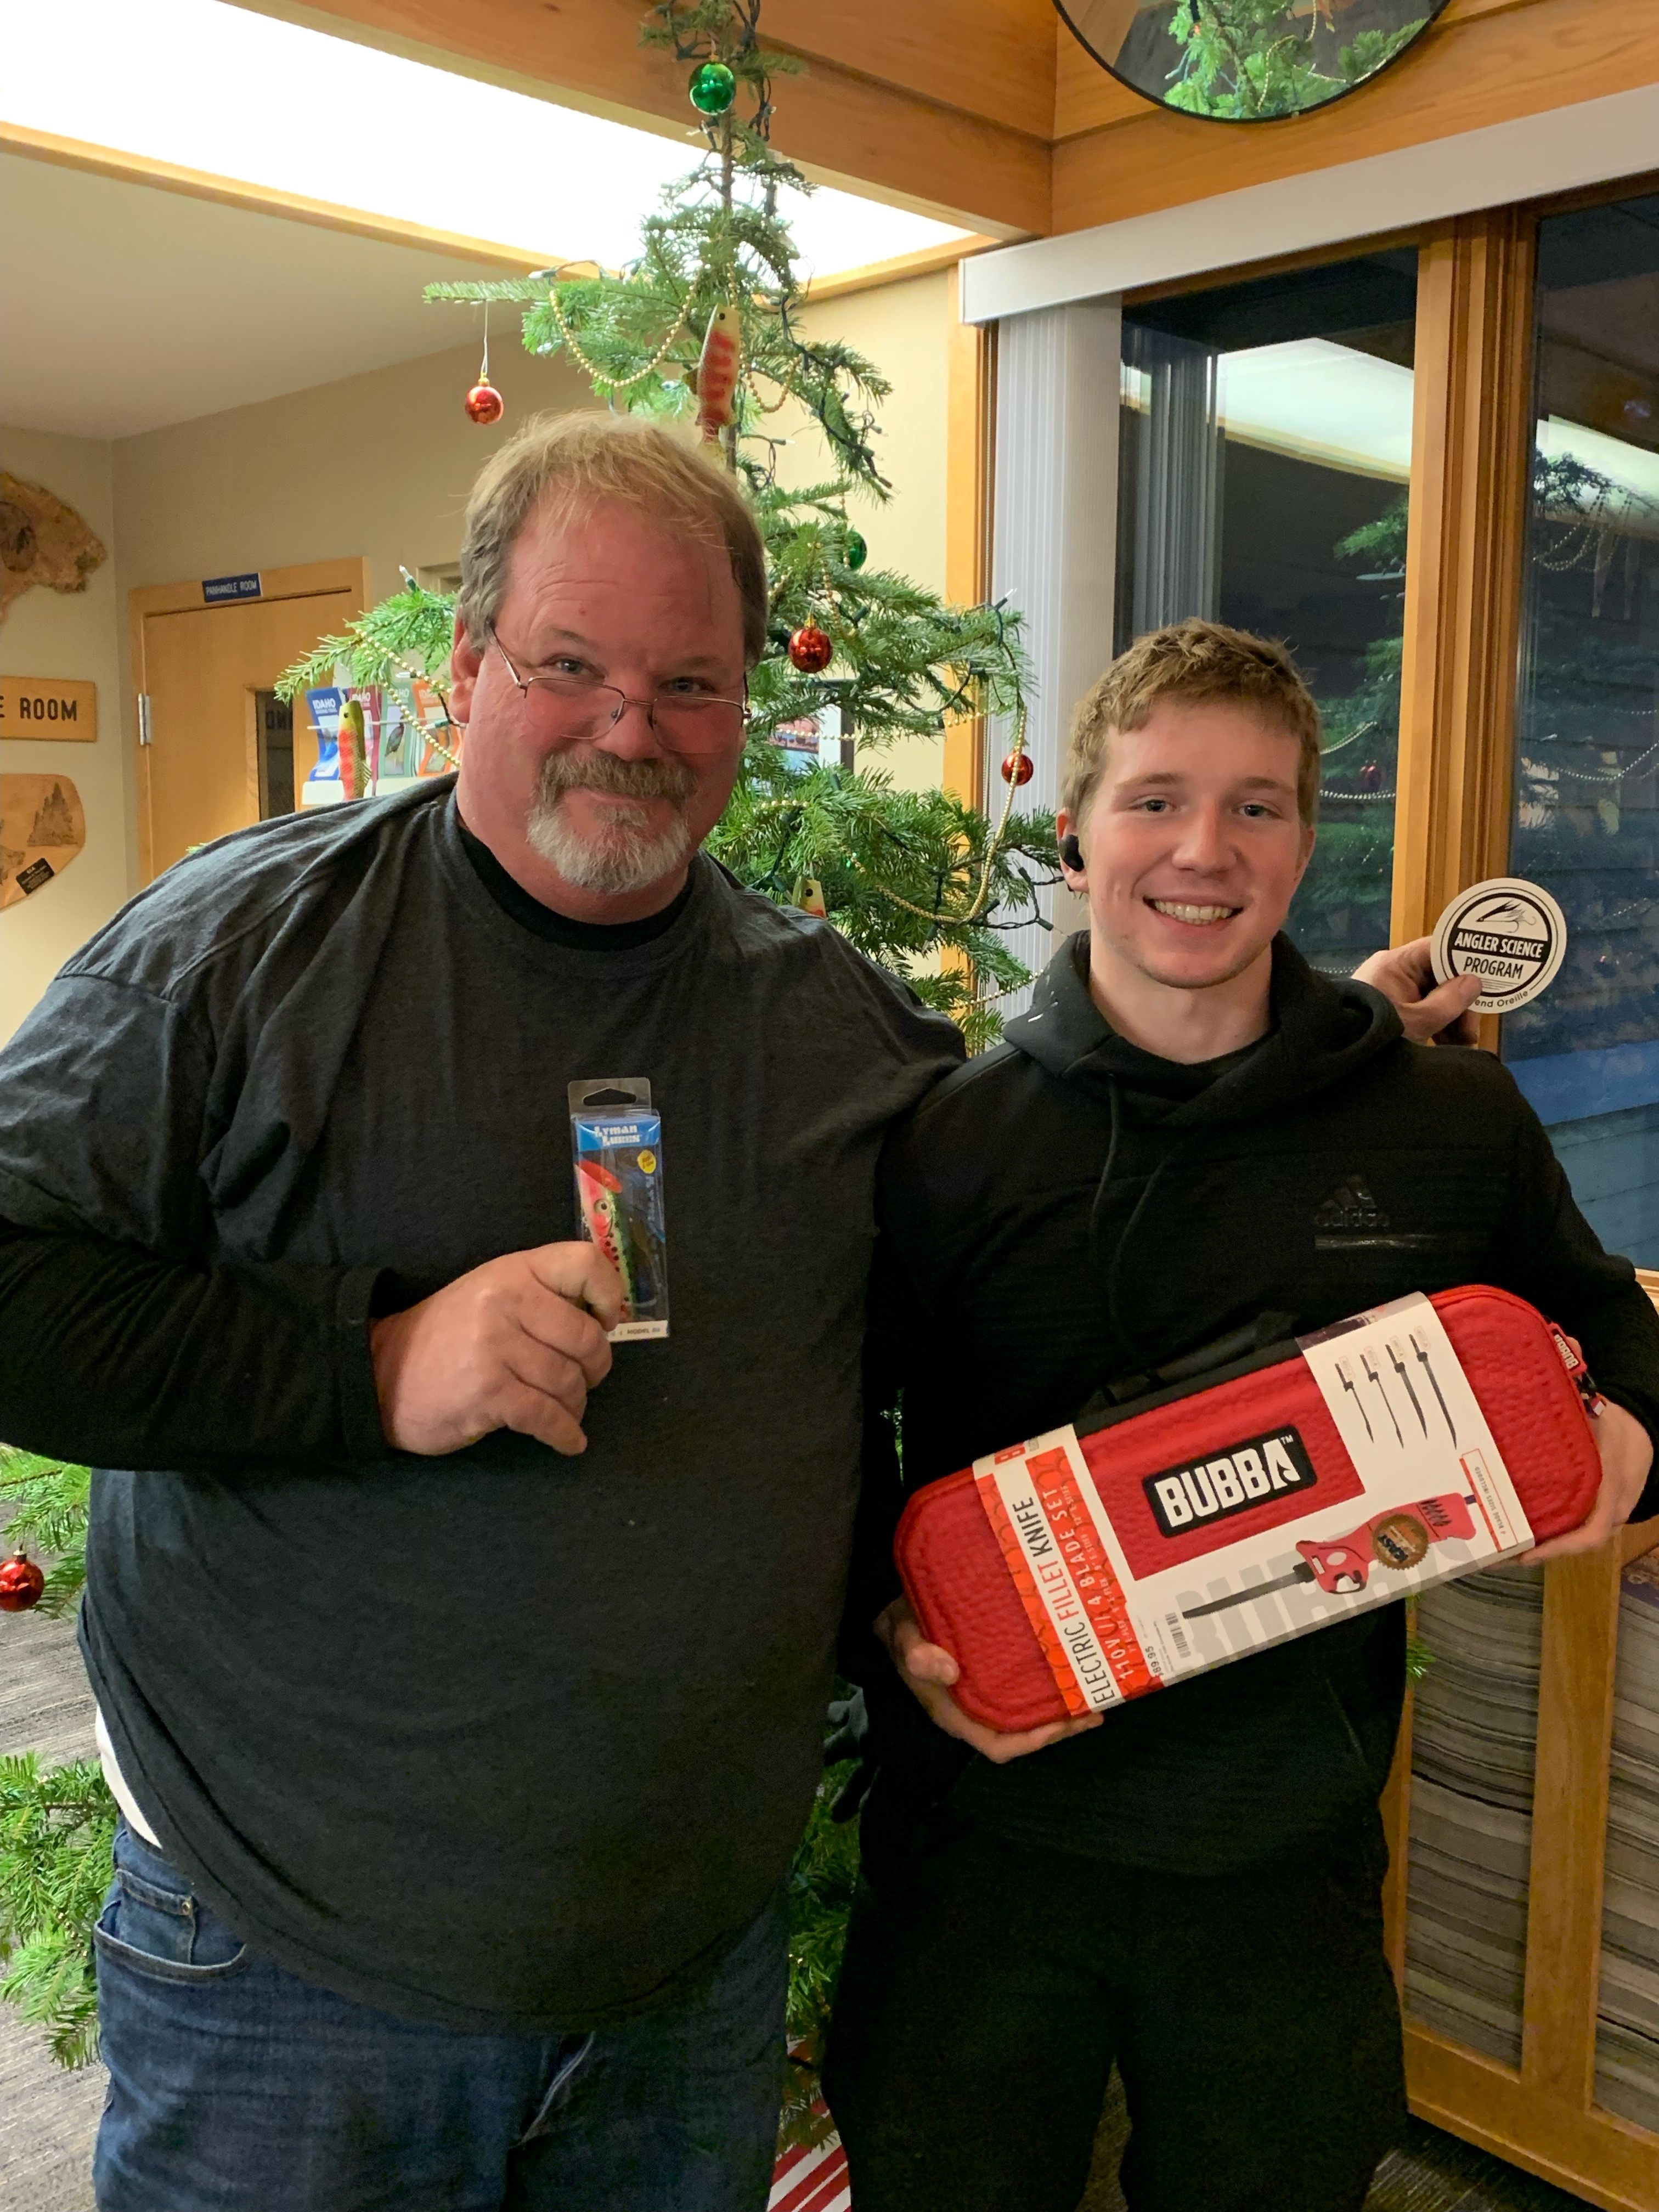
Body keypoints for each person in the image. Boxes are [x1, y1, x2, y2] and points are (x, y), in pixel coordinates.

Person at [0, 413, 969, 2212]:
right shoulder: (239, 952)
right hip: (292, 1975)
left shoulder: (829, 1020)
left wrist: (1313, 1046)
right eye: (573, 666)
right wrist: (363, 1363)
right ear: (463, 672)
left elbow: (1020, 1251)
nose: (632, 729)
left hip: (687, 1971)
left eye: (690, 681)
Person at [824, 618, 1659, 2212]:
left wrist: (1626, 1433)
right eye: (1154, 801)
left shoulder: (1446, 1123)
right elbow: (840, 1443)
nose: (1202, 850)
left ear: (1306, 840)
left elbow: (1617, 1331)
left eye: (1258, 806)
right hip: (988, 1852)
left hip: (1289, 1857)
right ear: (1076, 836)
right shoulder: (947, 1142)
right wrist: (895, 1632)